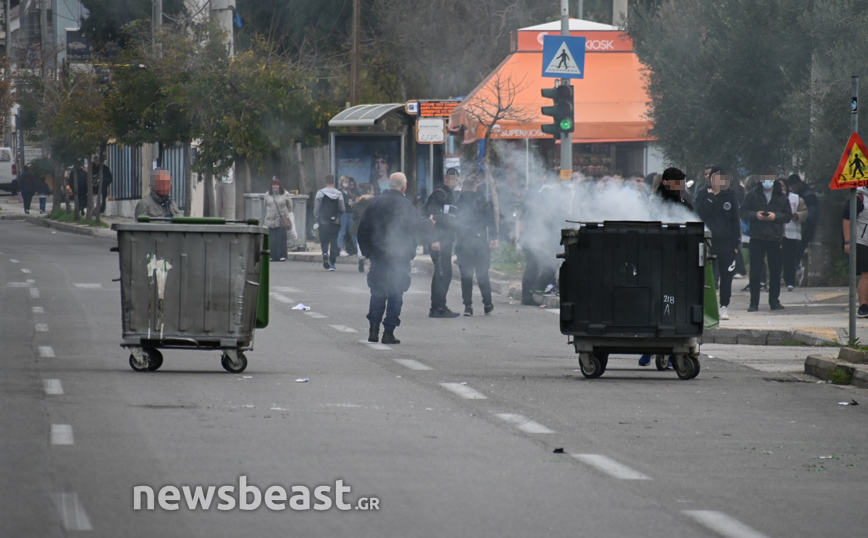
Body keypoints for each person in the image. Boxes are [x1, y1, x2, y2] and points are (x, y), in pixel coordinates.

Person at [357, 172, 433, 344]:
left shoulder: (375, 202)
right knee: (395, 293)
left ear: (389, 186)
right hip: (399, 258)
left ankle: (373, 330)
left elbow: (362, 230)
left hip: (377, 256)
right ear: (404, 187)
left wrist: (368, 253)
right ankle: (388, 332)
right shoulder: (407, 205)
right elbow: (418, 230)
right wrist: (429, 224)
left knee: (377, 293)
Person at [740, 171, 792, 312]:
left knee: (775, 270)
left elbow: (787, 216)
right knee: (755, 270)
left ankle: (774, 301)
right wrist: (755, 215)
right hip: (757, 237)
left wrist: (775, 216)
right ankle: (753, 303)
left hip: (774, 238)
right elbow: (743, 211)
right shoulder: (753, 194)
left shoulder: (781, 196)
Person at [695, 167, 741, 320]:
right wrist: (711, 198)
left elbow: (735, 221)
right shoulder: (702, 193)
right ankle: (705, 307)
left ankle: (724, 306)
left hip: (726, 243)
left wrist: (736, 244)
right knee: (706, 277)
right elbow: (700, 214)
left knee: (726, 277)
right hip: (707, 241)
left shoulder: (730, 196)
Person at [455, 172, 498, 316]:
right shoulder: (481, 200)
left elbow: (452, 222)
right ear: (475, 188)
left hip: (463, 243)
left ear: (463, 187)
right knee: (482, 274)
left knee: (466, 276)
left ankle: (468, 306)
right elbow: (490, 219)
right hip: (479, 242)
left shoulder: (458, 201)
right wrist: (493, 237)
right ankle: (487, 304)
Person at [424, 168, 461, 318]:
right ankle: (437, 308)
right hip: (438, 241)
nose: (453, 182)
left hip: (447, 240)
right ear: (445, 179)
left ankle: (439, 305)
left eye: (456, 179)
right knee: (441, 274)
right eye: (450, 178)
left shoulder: (453, 196)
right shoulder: (439, 194)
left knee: (446, 273)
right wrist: (434, 239)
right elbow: (431, 218)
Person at [785, 174, 820, 284]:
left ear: (798, 183)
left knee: (796, 252)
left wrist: (800, 217)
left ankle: (795, 272)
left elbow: (812, 214)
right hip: (795, 227)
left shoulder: (808, 195)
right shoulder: (795, 194)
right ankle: (792, 274)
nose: (792, 189)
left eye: (793, 186)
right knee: (791, 253)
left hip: (805, 227)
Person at [843, 187, 868, 317]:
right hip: (861, 240)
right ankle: (863, 306)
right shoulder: (859, 198)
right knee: (866, 274)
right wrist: (847, 241)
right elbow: (847, 219)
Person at [314, 174, 346, 271]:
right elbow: (342, 208)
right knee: (334, 241)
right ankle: (332, 264)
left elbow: (316, 209)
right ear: (333, 181)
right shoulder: (338, 194)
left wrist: (316, 218)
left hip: (323, 221)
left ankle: (324, 254)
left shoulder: (320, 193)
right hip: (335, 222)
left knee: (324, 241)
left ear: (325, 181)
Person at [781, 179, 808, 291]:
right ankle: (775, 280)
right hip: (774, 234)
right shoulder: (769, 198)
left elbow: (805, 212)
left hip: (790, 234)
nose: (780, 188)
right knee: (775, 259)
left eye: (782, 186)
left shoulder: (796, 199)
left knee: (789, 259)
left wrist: (797, 215)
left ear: (786, 187)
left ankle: (790, 282)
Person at [264, 178, 297, 262]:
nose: (275, 186)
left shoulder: (285, 194)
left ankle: (282, 255)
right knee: (272, 239)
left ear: (280, 186)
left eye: (277, 184)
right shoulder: (267, 194)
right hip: (270, 219)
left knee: (281, 238)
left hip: (282, 219)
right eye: (273, 184)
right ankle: (272, 256)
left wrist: (285, 214)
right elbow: (265, 205)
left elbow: (290, 206)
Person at [352, 183, 375, 273]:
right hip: (371, 227)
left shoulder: (357, 203)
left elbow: (353, 216)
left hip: (358, 227)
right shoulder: (374, 202)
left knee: (360, 245)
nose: (373, 192)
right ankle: (370, 264)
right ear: (369, 191)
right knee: (370, 245)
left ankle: (361, 257)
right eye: (372, 190)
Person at [338, 176, 359, 257]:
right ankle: (341, 249)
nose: (347, 184)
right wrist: (347, 204)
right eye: (345, 182)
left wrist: (352, 203)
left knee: (353, 231)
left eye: (348, 182)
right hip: (343, 213)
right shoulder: (339, 192)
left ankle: (357, 247)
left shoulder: (349, 192)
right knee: (342, 231)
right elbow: (339, 203)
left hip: (350, 213)